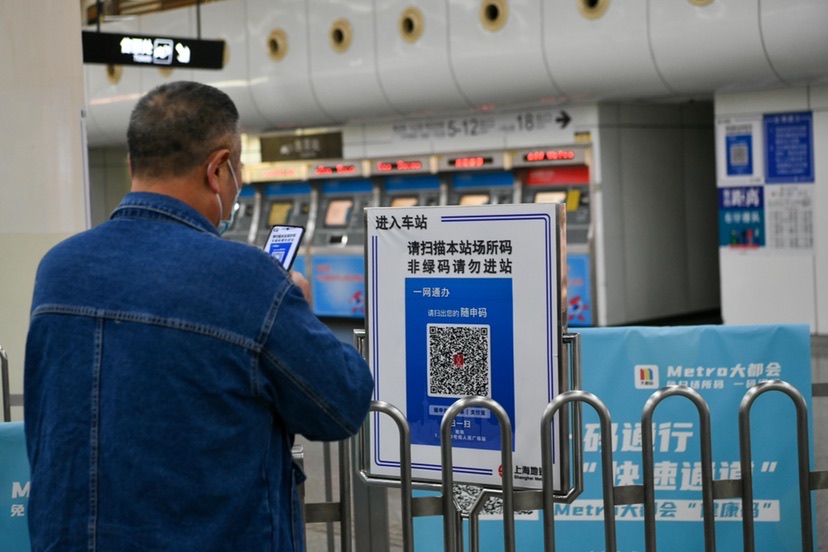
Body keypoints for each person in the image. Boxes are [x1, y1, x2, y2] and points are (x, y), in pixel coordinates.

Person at [24, 81, 374, 551]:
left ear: (132, 165)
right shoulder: (250, 279)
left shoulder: (57, 269)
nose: (241, 183)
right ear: (217, 169)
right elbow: (343, 404)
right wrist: (299, 311)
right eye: (239, 169)